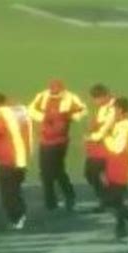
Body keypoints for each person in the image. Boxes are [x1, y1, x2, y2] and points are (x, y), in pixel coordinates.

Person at [28, 79, 87, 211]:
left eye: (56, 90)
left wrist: (70, 117)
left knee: (51, 171)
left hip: (60, 141)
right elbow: (31, 109)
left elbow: (82, 110)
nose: (53, 92)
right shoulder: (42, 96)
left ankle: (56, 200)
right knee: (52, 171)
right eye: (52, 89)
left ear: (61, 89)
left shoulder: (70, 97)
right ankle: (59, 199)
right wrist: (43, 117)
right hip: (45, 140)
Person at [0, 92, 32, 230]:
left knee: (8, 193)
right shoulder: (21, 111)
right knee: (16, 190)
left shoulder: (2, 114)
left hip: (8, 161)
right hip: (22, 160)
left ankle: (17, 218)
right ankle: (21, 214)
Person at [103, 97, 128, 238]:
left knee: (112, 200)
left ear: (119, 109)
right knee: (115, 200)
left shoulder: (123, 127)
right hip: (119, 167)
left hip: (121, 168)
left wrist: (105, 137)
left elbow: (118, 148)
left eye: (113, 109)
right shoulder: (125, 125)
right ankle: (123, 225)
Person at [84, 83, 116, 212]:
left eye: (95, 99)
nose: (94, 102)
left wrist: (91, 136)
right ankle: (108, 199)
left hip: (108, 146)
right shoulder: (103, 107)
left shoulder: (114, 108)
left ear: (104, 96)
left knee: (93, 173)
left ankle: (107, 200)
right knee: (93, 173)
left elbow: (105, 129)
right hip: (99, 147)